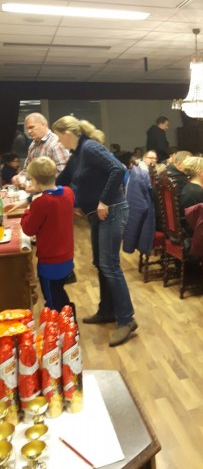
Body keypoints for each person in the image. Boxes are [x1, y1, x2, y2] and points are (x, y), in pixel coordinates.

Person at [52, 116, 137, 348]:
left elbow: (117, 169)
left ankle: (127, 319)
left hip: (112, 209)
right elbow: (62, 180)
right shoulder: (77, 155)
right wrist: (40, 189)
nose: (58, 141)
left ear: (68, 133)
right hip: (97, 213)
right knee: (101, 263)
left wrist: (104, 201)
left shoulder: (89, 147)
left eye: (58, 136)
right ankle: (107, 310)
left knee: (110, 265)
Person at [19, 157, 75, 314]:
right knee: (59, 291)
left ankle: (64, 324)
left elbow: (28, 229)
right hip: (67, 255)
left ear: (36, 181)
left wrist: (28, 210)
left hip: (50, 260)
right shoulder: (68, 192)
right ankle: (69, 319)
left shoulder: (41, 203)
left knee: (52, 301)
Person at [12, 113, 69, 185]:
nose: (29, 132)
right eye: (27, 129)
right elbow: (27, 170)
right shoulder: (32, 145)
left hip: (52, 190)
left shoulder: (56, 143)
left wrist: (39, 186)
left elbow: (62, 174)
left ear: (43, 124)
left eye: (31, 127)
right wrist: (19, 177)